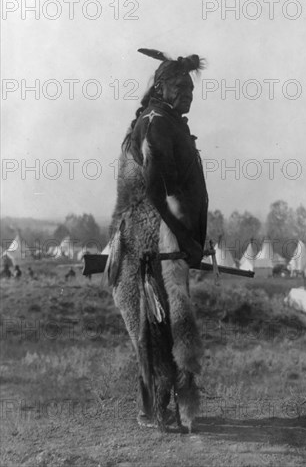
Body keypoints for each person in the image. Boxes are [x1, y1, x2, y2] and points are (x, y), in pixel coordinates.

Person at [108, 48, 208, 432]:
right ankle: (152, 411)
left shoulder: (168, 122)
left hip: (161, 241)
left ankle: (161, 408)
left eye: (191, 87)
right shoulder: (156, 123)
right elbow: (153, 190)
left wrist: (189, 238)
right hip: (145, 245)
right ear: (160, 87)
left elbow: (179, 191)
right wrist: (183, 236)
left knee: (162, 324)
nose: (187, 93)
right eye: (179, 86)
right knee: (154, 326)